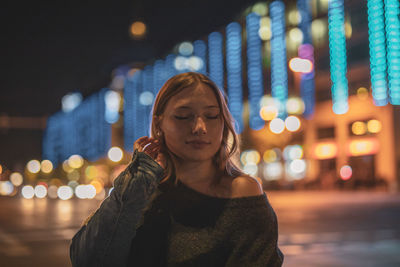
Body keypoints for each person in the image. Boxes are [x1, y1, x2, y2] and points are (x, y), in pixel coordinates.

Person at [70, 72, 283, 266]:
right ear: (159, 123)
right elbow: (88, 260)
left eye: (211, 116)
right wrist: (140, 177)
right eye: (183, 116)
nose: (200, 127)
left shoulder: (243, 192)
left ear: (224, 122)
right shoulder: (142, 187)